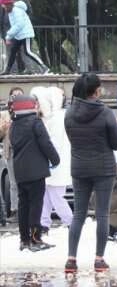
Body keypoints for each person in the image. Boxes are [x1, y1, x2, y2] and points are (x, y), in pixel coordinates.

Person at [65, 73, 117, 273]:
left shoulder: (69, 113)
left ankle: (71, 259)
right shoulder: (105, 112)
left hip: (79, 167)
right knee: (102, 214)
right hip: (103, 168)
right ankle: (99, 259)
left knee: (78, 214)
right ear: (96, 91)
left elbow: (72, 138)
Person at [10, 95, 60, 251]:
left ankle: (24, 239)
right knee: (36, 205)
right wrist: (55, 159)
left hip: (20, 171)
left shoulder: (14, 125)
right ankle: (35, 239)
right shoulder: (36, 122)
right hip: (36, 171)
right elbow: (45, 143)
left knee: (23, 205)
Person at [30, 86, 73, 233]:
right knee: (46, 196)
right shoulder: (50, 117)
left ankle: (70, 222)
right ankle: (44, 223)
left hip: (57, 163)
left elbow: (53, 142)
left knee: (56, 196)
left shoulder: (58, 118)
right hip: (51, 163)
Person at [1, 0, 45, 75]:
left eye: (5, 6)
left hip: (26, 34)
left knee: (28, 52)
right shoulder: (10, 11)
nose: (4, 8)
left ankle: (44, 67)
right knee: (13, 51)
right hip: (19, 35)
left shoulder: (16, 11)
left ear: (9, 4)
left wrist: (8, 36)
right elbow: (15, 25)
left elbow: (18, 25)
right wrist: (10, 36)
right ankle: (8, 70)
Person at [0, 87, 24, 218]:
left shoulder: (27, 111)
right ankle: (15, 209)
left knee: (25, 181)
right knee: (13, 182)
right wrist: (3, 128)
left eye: (19, 95)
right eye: (14, 95)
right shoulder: (4, 114)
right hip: (11, 151)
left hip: (25, 151)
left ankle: (25, 208)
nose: (17, 97)